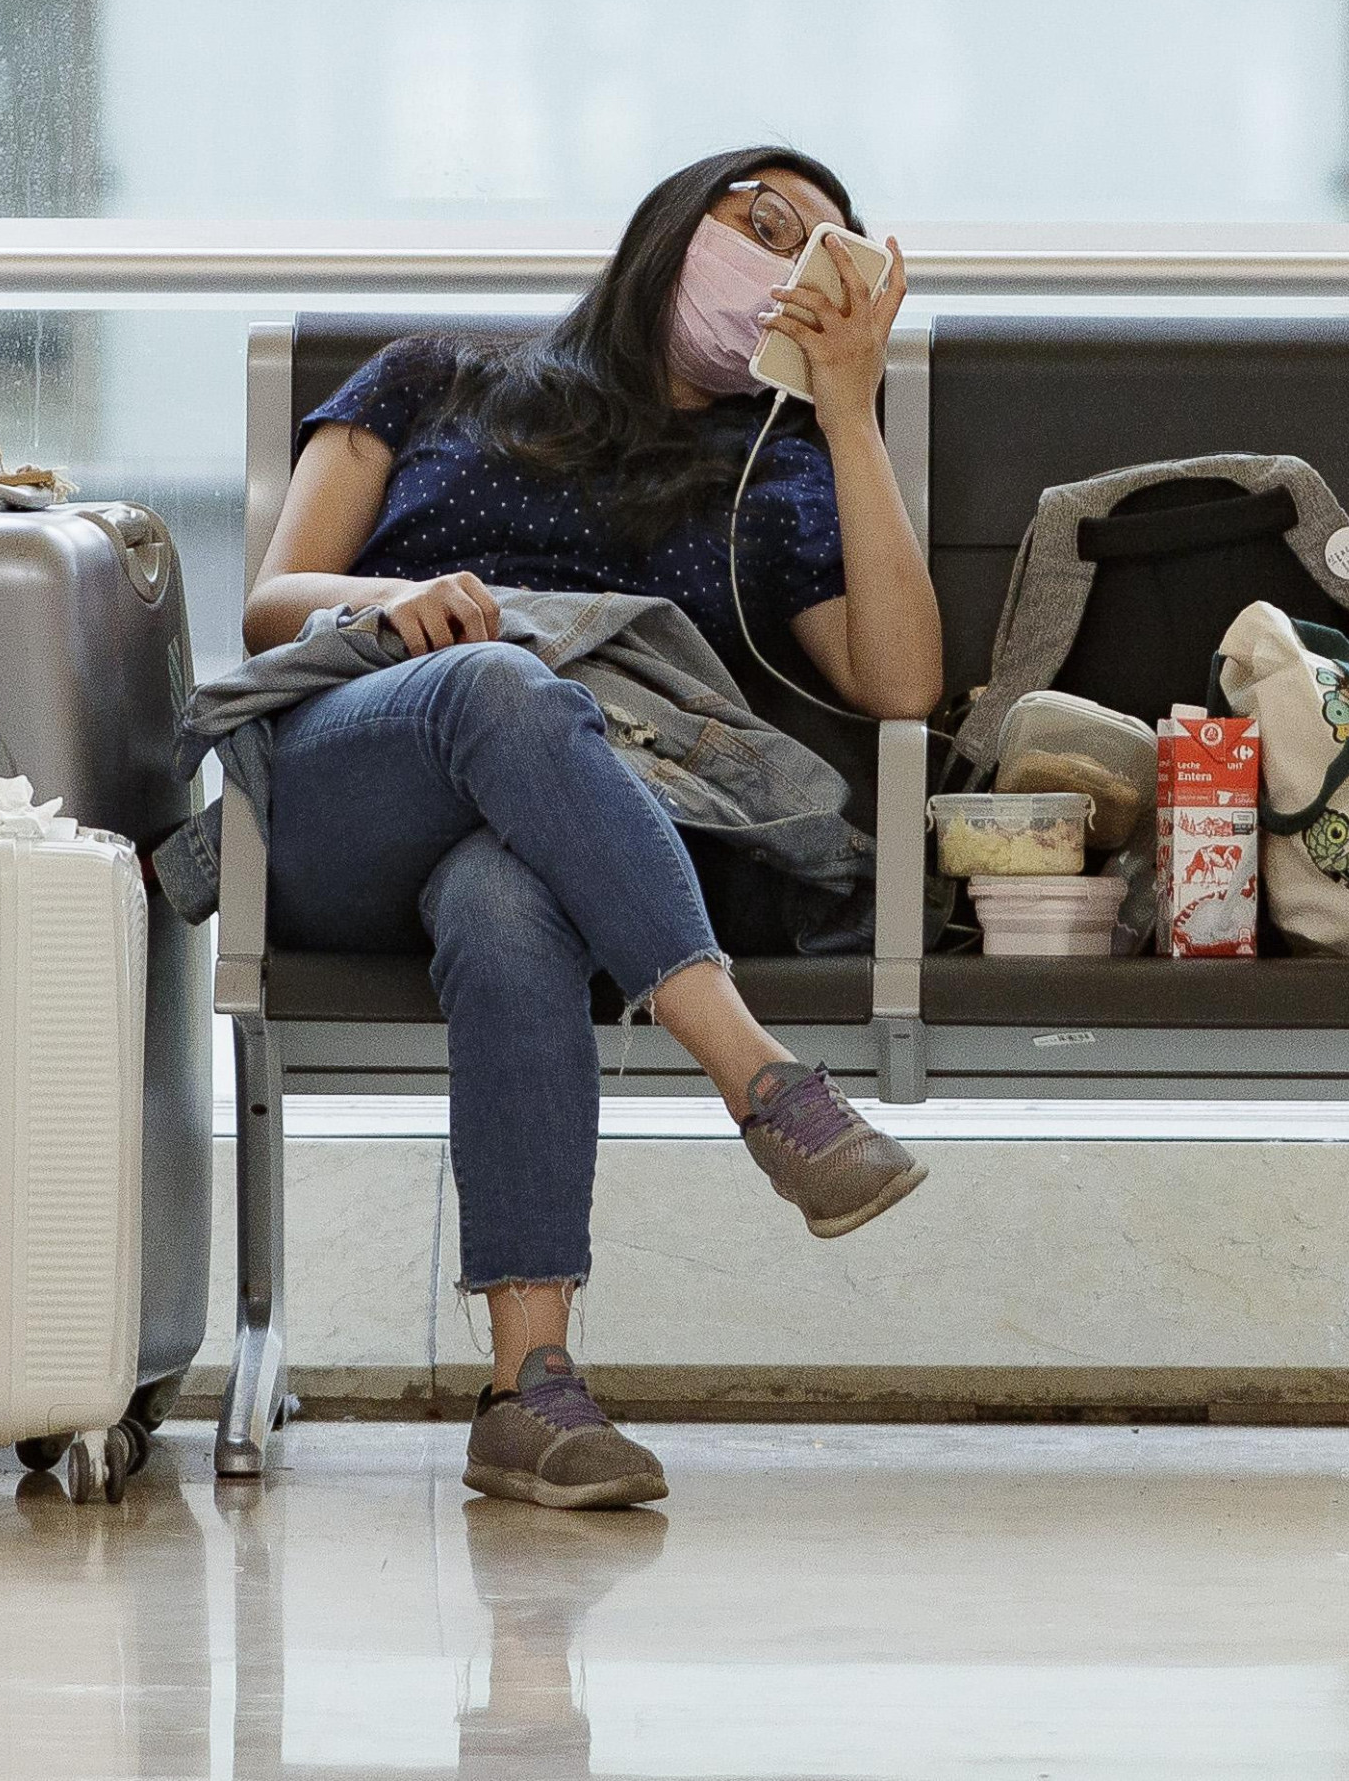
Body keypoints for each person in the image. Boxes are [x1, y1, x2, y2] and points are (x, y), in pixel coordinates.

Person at [242, 146, 945, 1510]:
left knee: (512, 899)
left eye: (821, 259)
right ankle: (764, 1084)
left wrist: (850, 414)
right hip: (354, 776)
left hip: (560, 841)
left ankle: (531, 1389)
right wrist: (399, 611)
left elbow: (902, 680)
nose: (781, 259)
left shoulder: (774, 477)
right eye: (761, 221)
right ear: (672, 224)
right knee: (506, 677)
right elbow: (272, 604)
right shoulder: (432, 379)